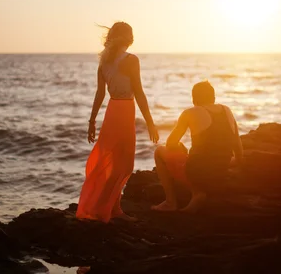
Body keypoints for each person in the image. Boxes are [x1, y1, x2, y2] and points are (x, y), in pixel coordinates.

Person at [76, 22, 159, 222]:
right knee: (124, 164)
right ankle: (105, 209)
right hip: (123, 110)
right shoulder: (131, 60)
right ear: (128, 38)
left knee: (114, 161)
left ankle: (114, 209)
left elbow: (100, 94)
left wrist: (92, 121)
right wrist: (150, 122)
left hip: (112, 111)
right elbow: (138, 92)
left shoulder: (104, 61)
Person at [152, 80, 243, 213]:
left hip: (197, 172)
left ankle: (174, 201)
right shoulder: (226, 110)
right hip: (220, 172)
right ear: (214, 97)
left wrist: (181, 147)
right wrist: (224, 163)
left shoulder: (190, 113)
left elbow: (171, 143)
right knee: (204, 163)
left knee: (159, 151)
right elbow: (239, 153)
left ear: (194, 99)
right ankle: (201, 191)